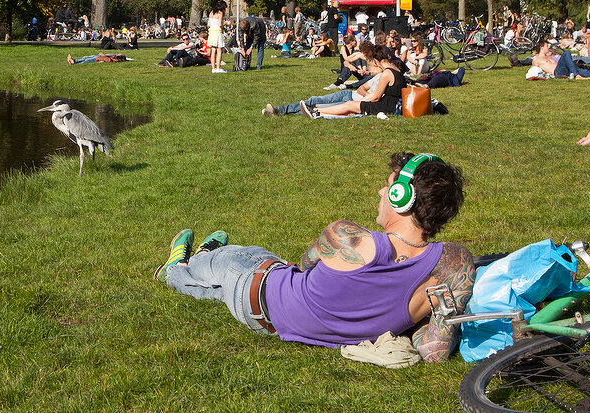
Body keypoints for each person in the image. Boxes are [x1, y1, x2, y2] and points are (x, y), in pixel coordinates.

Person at [155, 152, 474, 362]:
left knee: (226, 261)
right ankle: (193, 263)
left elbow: (304, 263)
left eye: (387, 186)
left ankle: (183, 264)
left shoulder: (346, 235)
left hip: (256, 283)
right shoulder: (455, 264)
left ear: (400, 197)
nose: (380, 192)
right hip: (265, 321)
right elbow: (435, 352)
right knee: (218, 291)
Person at [316, 46, 404, 117]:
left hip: (387, 107)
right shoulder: (396, 69)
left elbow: (376, 96)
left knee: (350, 105)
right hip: (394, 105)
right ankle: (319, 113)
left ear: (376, 60)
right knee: (350, 110)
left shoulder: (387, 73)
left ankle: (317, 111)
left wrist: (360, 102)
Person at [207, 2, 227, 73]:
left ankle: (213, 68)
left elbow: (208, 24)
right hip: (217, 32)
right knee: (219, 50)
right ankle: (218, 67)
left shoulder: (211, 13)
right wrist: (224, 28)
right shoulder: (220, 13)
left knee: (213, 51)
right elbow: (220, 24)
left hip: (211, 32)